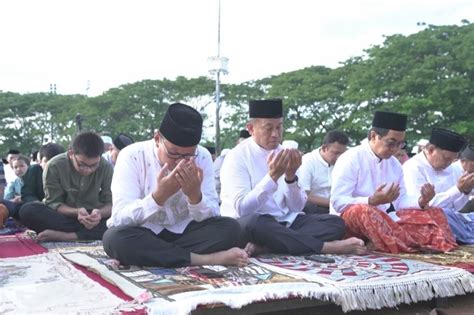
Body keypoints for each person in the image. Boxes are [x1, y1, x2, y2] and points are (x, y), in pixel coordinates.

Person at [103, 103, 247, 268]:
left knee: (231, 229)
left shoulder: (202, 156)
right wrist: (158, 197)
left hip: (186, 233)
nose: (180, 161)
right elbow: (119, 218)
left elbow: (214, 213)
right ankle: (206, 259)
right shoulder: (132, 156)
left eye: (188, 155)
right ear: (157, 139)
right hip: (144, 232)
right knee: (114, 239)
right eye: (173, 153)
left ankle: (157, 255)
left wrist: (195, 197)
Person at [220, 99, 366, 257]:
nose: (275, 134)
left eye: (279, 127)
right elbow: (242, 209)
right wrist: (272, 177)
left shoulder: (285, 153)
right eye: (268, 128)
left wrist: (290, 178)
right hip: (251, 225)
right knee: (258, 223)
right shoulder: (236, 157)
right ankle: (327, 247)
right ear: (251, 128)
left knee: (335, 223)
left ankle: (268, 248)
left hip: (284, 224)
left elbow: (296, 207)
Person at [330, 111, 457, 254]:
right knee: (363, 210)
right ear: (373, 136)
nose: (396, 149)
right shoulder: (350, 158)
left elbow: (400, 201)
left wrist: (421, 200)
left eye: (400, 144)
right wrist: (371, 200)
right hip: (346, 222)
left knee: (435, 212)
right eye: (391, 143)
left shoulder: (394, 164)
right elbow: (338, 202)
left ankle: (409, 243)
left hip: (384, 219)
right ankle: (406, 246)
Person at [19, 132, 113, 242]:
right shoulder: (54, 165)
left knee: (118, 223)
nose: (88, 170)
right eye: (82, 164)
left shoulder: (106, 167)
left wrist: (98, 214)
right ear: (71, 153)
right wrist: (76, 212)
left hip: (93, 216)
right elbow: (54, 203)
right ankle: (87, 234)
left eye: (94, 165)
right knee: (27, 210)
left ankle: (67, 236)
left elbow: (110, 203)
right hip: (63, 215)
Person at [403, 129, 474, 244]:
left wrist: (465, 190)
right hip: (422, 218)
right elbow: (422, 206)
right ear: (431, 150)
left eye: (452, 160)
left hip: (451, 217)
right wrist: (457, 190)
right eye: (446, 158)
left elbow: (455, 207)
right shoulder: (413, 167)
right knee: (443, 214)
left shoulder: (451, 168)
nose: (449, 163)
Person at [298, 130, 349, 214]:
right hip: (315, 208)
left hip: (339, 206)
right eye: (336, 153)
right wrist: (334, 203)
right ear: (324, 148)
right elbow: (304, 196)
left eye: (342, 154)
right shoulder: (307, 161)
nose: (339, 157)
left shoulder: (344, 162)